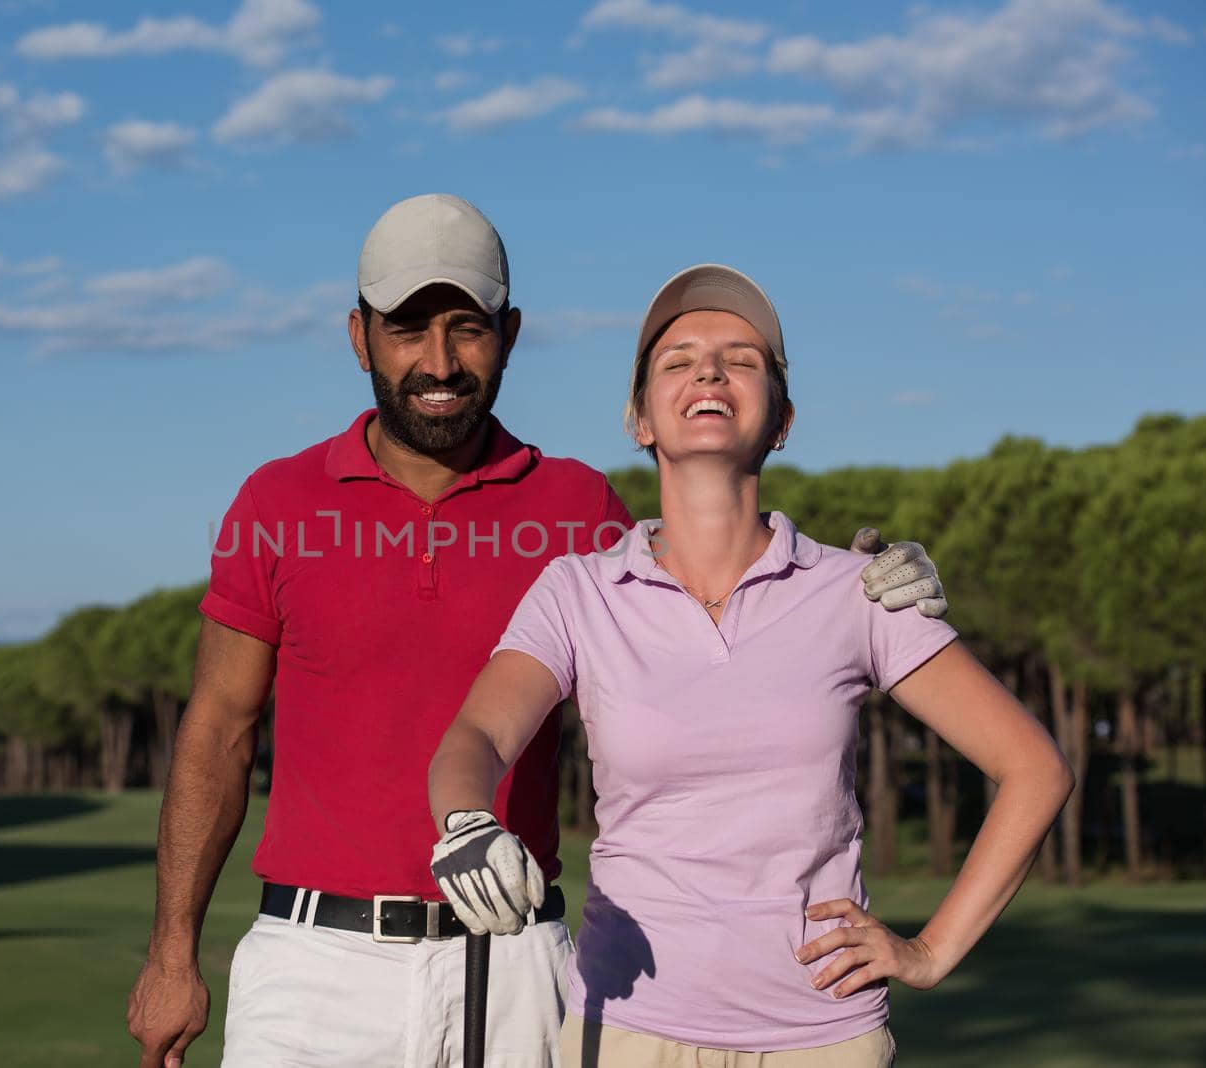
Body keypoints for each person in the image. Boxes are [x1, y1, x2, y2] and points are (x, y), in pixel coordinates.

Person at [127, 197, 949, 1068]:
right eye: (406, 329)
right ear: (360, 337)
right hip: (313, 963)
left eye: (467, 328)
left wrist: (864, 581)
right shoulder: (277, 503)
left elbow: (721, 596)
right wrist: (172, 953)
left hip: (520, 968)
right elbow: (217, 729)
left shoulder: (578, 508)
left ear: (510, 334)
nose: (438, 360)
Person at [427, 264, 1075, 1067]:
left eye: (741, 357)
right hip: (628, 1028)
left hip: (824, 1037)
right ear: (639, 419)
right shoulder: (578, 591)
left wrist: (931, 951)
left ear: (783, 420)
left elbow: (1034, 769)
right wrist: (464, 821)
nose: (708, 370)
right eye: (678, 359)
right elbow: (478, 736)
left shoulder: (857, 590)